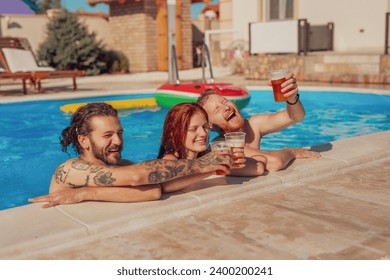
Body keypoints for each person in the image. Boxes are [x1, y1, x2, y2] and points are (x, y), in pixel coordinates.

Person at [29, 102, 233, 208]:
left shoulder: (122, 164)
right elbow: (137, 176)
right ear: (83, 140)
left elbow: (153, 191)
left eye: (119, 133)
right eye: (107, 135)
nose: (117, 141)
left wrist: (85, 193)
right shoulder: (70, 169)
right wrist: (204, 164)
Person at [197, 72, 321, 173]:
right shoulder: (221, 146)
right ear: (210, 125)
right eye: (217, 109)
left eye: (224, 101)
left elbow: (295, 117)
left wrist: (292, 98)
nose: (226, 107)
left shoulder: (252, 125)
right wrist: (291, 151)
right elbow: (275, 162)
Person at [156, 102, 247, 193]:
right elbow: (165, 185)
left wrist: (233, 158)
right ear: (174, 133)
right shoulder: (170, 159)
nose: (203, 133)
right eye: (193, 129)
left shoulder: (208, 155)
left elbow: (257, 170)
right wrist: (212, 170)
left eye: (205, 127)